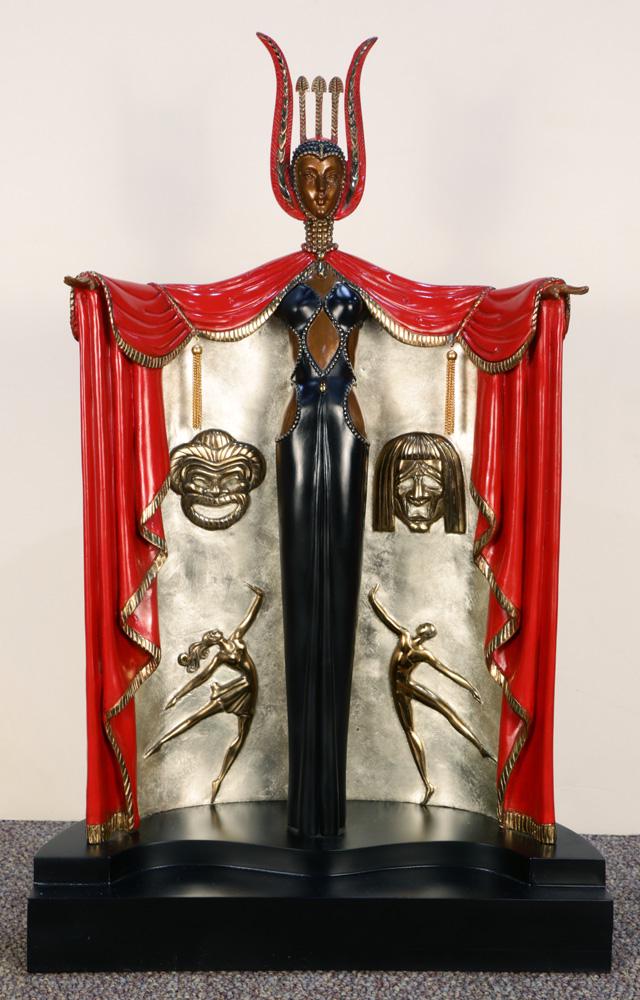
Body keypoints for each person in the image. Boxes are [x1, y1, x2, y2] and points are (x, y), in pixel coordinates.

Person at [368, 584, 496, 805]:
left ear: (426, 635)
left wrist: (469, 687)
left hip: (406, 687)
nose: (423, 629)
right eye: (425, 627)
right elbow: (386, 618)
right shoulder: (404, 636)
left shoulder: (423, 653)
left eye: (427, 630)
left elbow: (447, 672)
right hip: (400, 692)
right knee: (411, 731)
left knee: (445, 711)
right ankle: (428, 784)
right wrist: (372, 600)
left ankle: (481, 748)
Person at [144, 585, 263, 802]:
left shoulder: (236, 637)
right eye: (212, 634)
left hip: (249, 690)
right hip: (240, 689)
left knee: (241, 737)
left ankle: (219, 779)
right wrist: (178, 695)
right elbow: (201, 678)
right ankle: (162, 741)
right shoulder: (220, 657)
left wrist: (259, 597)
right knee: (198, 716)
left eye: (214, 631)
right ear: (213, 641)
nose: (215, 631)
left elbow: (249, 618)